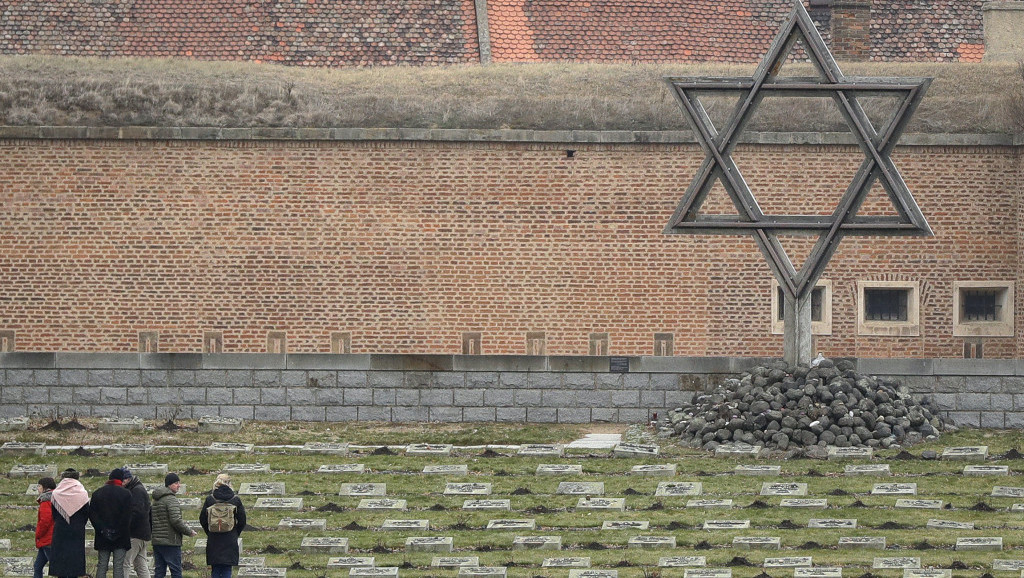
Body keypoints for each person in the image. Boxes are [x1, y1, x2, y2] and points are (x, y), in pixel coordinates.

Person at [199, 474, 246, 578]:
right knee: (227, 569)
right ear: (229, 484)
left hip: (214, 539)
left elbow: (202, 519)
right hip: (230, 538)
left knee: (215, 569)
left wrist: (210, 531)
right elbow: (242, 520)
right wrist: (235, 533)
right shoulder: (235, 500)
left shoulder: (210, 499)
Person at [89, 468, 132, 578]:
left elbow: (93, 515)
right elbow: (127, 517)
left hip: (102, 535)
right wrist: (118, 531)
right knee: (118, 566)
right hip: (121, 536)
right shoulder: (126, 494)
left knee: (102, 565)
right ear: (121, 479)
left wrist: (102, 529)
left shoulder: (98, 493)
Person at [151, 473, 196, 578]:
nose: (178, 485)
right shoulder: (171, 499)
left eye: (179, 483)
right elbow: (176, 520)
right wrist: (189, 531)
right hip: (170, 541)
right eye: (176, 483)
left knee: (159, 571)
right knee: (176, 572)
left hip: (157, 541)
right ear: (169, 485)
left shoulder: (156, 499)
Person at [49, 469, 89, 578]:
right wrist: (79, 524)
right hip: (77, 529)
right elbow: (86, 513)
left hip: (61, 529)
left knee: (61, 559)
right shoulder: (82, 493)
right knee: (75, 559)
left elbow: (54, 514)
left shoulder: (56, 493)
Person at [122, 468, 152, 578]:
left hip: (135, 534)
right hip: (143, 534)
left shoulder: (136, 491)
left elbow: (136, 513)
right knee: (141, 565)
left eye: (122, 481)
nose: (121, 483)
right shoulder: (138, 488)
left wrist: (126, 526)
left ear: (128, 479)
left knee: (124, 564)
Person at [33, 477, 57, 578]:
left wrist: (38, 534)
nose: (38, 488)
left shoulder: (45, 501)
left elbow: (45, 521)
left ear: (44, 488)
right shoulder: (55, 498)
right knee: (37, 566)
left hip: (47, 539)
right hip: (48, 539)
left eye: (39, 486)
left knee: (57, 568)